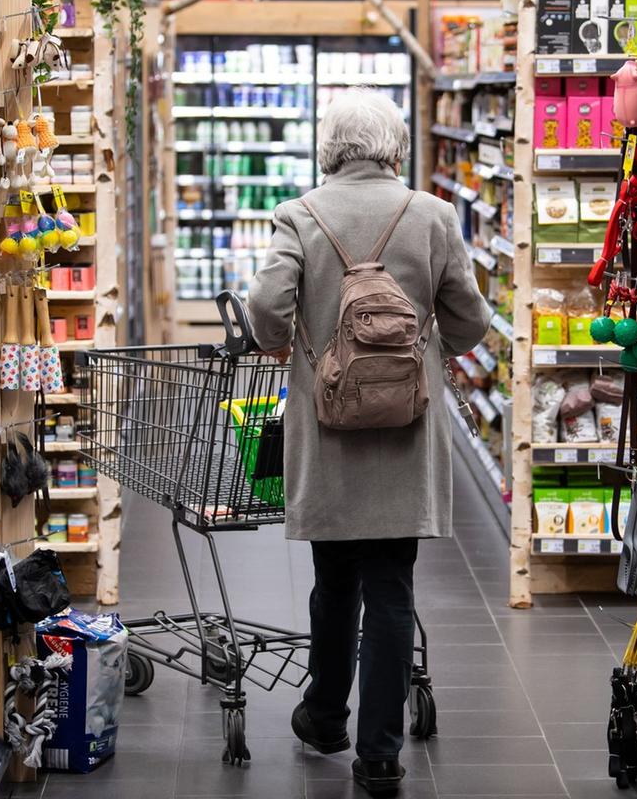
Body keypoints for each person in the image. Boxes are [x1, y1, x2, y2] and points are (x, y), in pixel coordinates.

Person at [246, 88, 491, 796]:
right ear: (394, 147)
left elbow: (267, 309)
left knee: (335, 582)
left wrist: (288, 342)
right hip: (406, 435)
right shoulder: (434, 216)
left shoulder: (299, 214)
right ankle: (379, 755)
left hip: (326, 435)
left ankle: (324, 716)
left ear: (329, 150)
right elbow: (471, 323)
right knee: (391, 587)